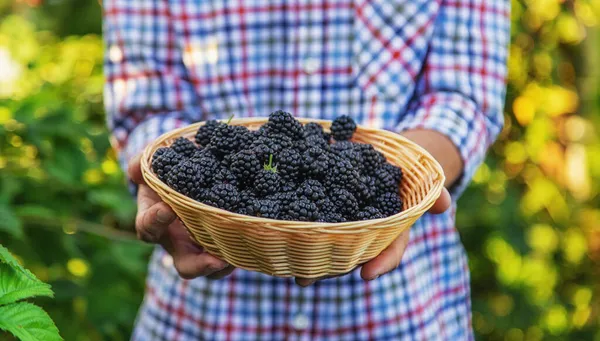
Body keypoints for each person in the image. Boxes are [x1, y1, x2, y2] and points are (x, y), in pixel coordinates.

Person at [104, 0, 509, 339]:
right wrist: (167, 177)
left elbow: (462, 98)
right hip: (202, 315)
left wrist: (406, 175)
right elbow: (146, 102)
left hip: (401, 313)